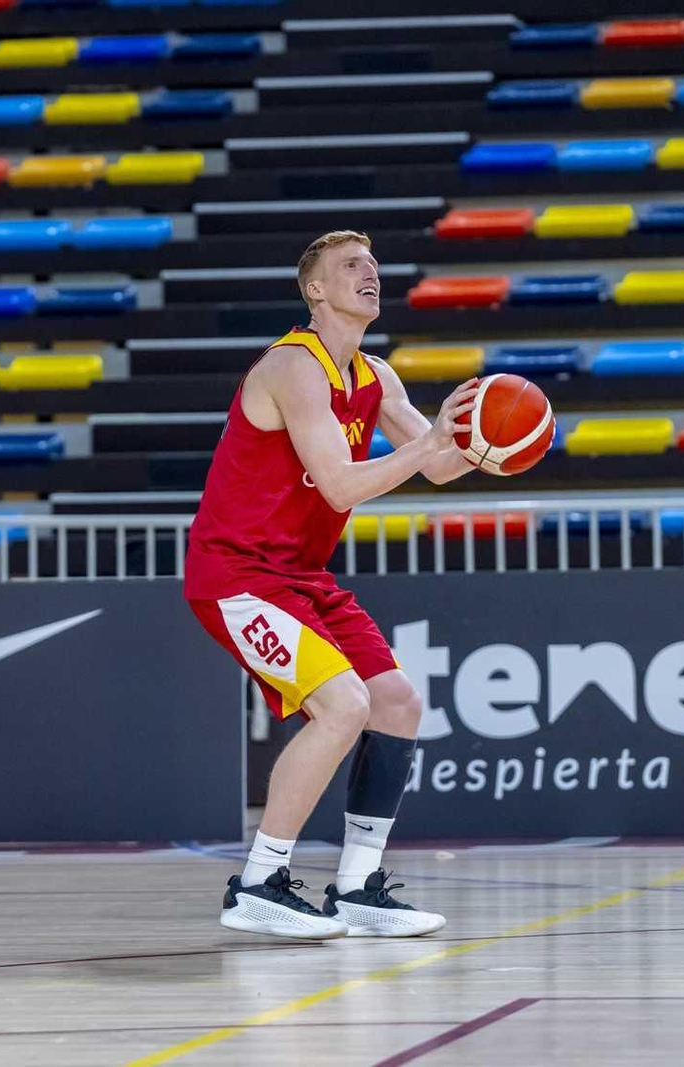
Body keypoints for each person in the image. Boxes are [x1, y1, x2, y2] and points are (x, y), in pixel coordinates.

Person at [185, 230, 488, 939]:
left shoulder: (377, 375)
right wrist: (427, 445)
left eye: (375, 266)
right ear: (315, 290)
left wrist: (496, 441)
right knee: (344, 703)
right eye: (351, 265)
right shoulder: (294, 366)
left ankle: (356, 886)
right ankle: (257, 881)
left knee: (397, 701)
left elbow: (441, 463)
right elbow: (344, 481)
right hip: (235, 574)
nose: (369, 274)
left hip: (300, 575)